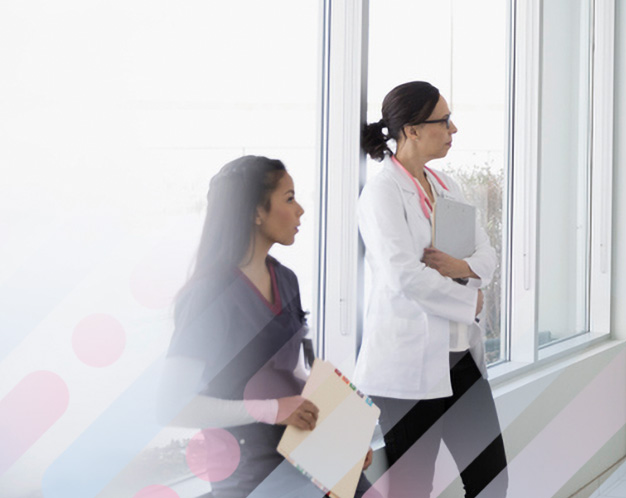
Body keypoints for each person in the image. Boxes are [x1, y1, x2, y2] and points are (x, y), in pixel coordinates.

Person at [163, 155, 372, 498]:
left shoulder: (285, 279)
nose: (301, 209)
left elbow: (298, 373)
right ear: (255, 212)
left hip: (308, 450)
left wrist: (343, 433)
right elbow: (171, 405)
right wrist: (270, 410)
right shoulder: (208, 296)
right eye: (289, 199)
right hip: (251, 473)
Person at [356, 81, 507, 497]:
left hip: (458, 358)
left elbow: (486, 253)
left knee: (492, 479)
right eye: (444, 121)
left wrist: (460, 268)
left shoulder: (446, 186)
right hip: (408, 371)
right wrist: (467, 296)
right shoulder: (382, 193)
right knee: (412, 489)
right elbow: (404, 274)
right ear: (412, 130)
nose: (453, 129)